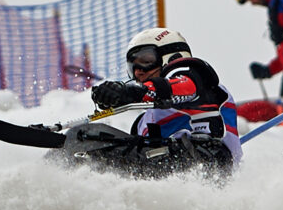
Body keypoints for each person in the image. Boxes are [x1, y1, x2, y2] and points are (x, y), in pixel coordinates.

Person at [91, 28, 243, 174]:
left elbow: (174, 87)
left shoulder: (198, 81)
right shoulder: (142, 122)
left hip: (207, 162)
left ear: (172, 56)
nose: (138, 70)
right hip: (163, 172)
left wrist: (130, 92)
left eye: (146, 60)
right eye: (133, 65)